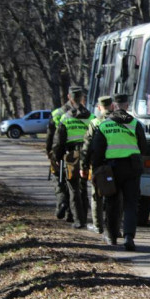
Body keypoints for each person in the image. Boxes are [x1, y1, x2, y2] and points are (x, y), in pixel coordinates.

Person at [88, 93, 149, 250]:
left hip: (111, 170)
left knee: (112, 202)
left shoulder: (104, 125)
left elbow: (97, 151)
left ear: (114, 106)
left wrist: (95, 170)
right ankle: (128, 237)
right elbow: (144, 148)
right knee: (130, 204)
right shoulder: (135, 124)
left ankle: (112, 236)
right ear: (127, 106)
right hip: (132, 168)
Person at [52, 89, 94, 229]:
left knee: (73, 188)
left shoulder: (65, 118)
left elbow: (59, 141)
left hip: (71, 156)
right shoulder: (91, 117)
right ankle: (84, 217)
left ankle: (78, 220)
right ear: (82, 98)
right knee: (83, 187)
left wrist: (56, 157)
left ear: (71, 98)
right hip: (87, 155)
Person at [46, 86, 82, 221]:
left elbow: (50, 134)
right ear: (81, 98)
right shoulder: (85, 113)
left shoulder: (57, 113)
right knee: (74, 183)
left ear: (69, 97)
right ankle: (71, 214)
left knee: (58, 179)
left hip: (59, 150)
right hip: (78, 152)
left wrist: (49, 151)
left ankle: (61, 203)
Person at [80, 95, 113, 234]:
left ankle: (98, 226)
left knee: (96, 195)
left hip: (98, 164)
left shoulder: (94, 123)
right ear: (112, 106)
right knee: (114, 195)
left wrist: (84, 166)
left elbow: (87, 147)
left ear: (99, 107)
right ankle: (114, 227)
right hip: (115, 162)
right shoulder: (118, 121)